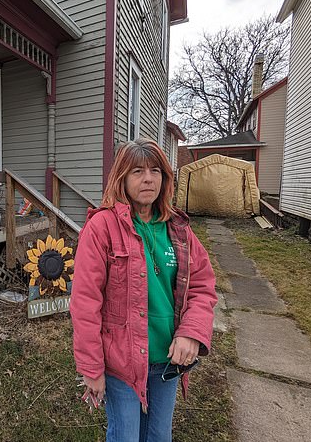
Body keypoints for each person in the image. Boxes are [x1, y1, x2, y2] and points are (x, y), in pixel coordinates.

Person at [70, 138, 217, 442]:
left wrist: (191, 332)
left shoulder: (178, 229)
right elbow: (85, 302)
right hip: (121, 361)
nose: (148, 178)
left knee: (159, 436)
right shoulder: (101, 228)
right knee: (126, 436)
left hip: (167, 361)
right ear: (121, 179)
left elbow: (203, 286)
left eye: (155, 171)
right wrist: (91, 368)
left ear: (165, 178)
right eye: (137, 171)